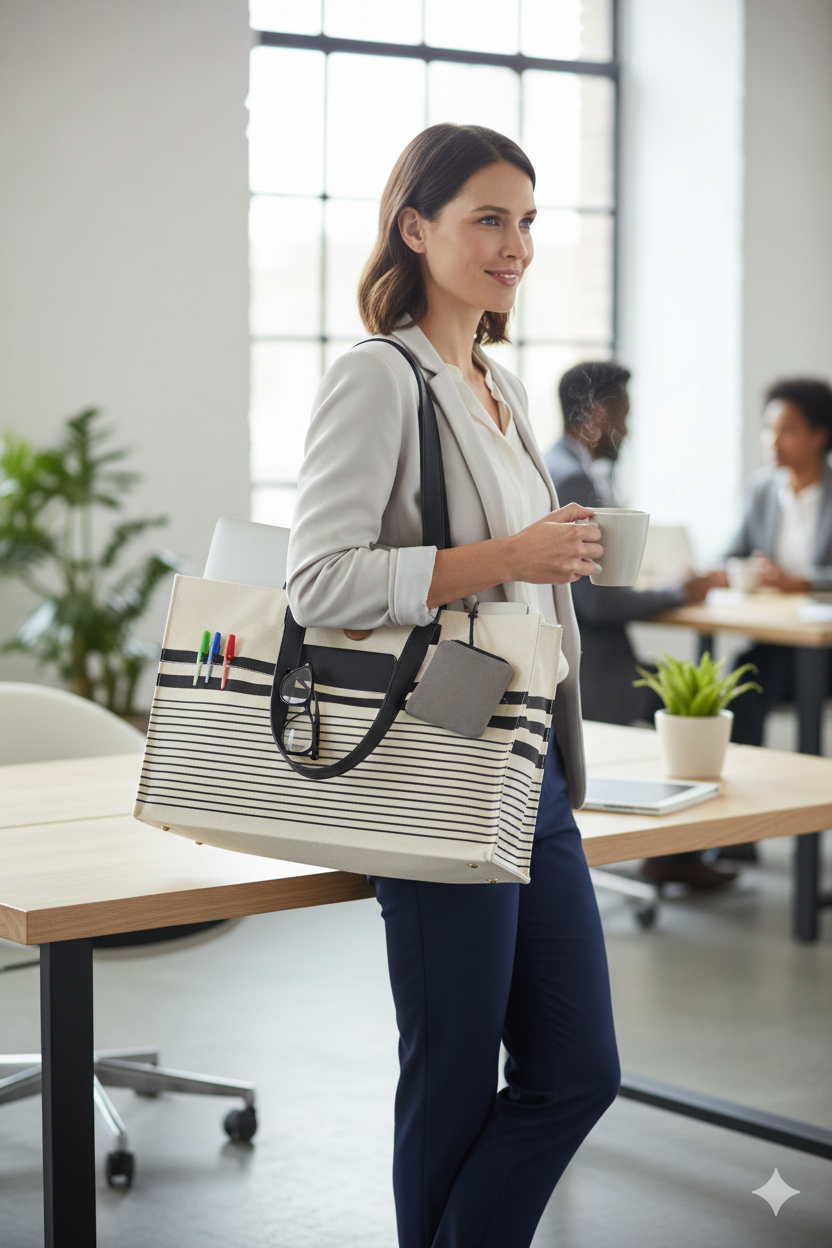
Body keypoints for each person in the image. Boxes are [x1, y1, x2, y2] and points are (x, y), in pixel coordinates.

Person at [287, 124, 620, 1248]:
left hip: (531, 771)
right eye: (487, 217)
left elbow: (519, 569)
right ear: (415, 228)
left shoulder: (497, 384)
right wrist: (507, 559)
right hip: (433, 764)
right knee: (454, 1087)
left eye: (525, 220)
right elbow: (317, 581)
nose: (514, 243)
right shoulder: (377, 378)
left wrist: (553, 557)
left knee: (577, 1071)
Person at [545, 362, 736, 890]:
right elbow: (599, 604)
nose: (626, 429)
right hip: (594, 670)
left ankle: (674, 855)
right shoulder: (574, 479)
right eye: (622, 414)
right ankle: (675, 855)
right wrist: (678, 593)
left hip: (574, 657)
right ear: (597, 414)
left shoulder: (553, 465)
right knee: (698, 706)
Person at [714, 378, 832, 750]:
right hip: (777, 641)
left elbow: (804, 579)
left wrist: (800, 582)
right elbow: (734, 553)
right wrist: (723, 572)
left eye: (787, 430)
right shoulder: (762, 490)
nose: (772, 440)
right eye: (769, 429)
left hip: (825, 645)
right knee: (743, 681)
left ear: (819, 436)